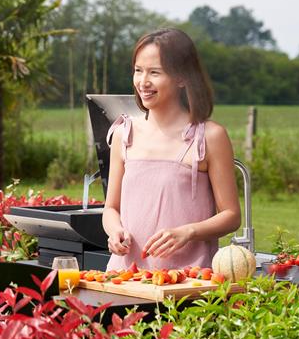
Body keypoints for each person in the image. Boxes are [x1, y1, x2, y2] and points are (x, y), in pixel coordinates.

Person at [102, 28, 241, 271]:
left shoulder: (209, 136)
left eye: (154, 72)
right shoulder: (124, 134)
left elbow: (231, 215)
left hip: (187, 281)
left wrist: (188, 232)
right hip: (124, 279)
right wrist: (115, 232)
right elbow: (111, 209)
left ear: (182, 78)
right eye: (138, 71)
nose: (143, 82)